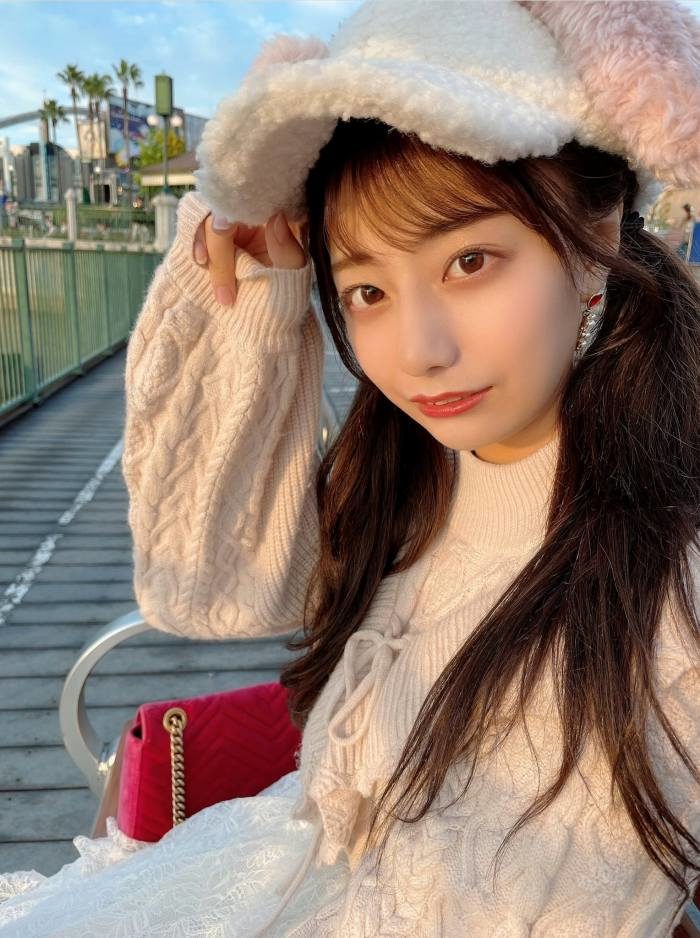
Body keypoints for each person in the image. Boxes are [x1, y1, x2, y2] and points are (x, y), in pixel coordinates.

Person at [1, 0, 699, 934]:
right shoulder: (411, 474)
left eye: (471, 261)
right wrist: (254, 295)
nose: (418, 352)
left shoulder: (669, 596)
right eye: (366, 288)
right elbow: (208, 586)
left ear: (597, 237)